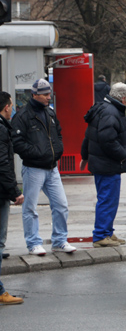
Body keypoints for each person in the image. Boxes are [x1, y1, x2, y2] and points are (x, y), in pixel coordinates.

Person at [11, 79, 76, 256]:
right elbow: (16, 143)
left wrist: (57, 150)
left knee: (61, 205)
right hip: (33, 169)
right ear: (34, 95)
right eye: (45, 94)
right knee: (30, 208)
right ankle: (33, 243)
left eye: (49, 93)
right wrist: (37, 153)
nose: (49, 97)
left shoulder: (50, 113)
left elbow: (58, 134)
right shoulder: (22, 116)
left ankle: (60, 240)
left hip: (52, 167)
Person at [80, 83, 126, 248]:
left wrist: (85, 156)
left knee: (108, 199)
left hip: (101, 162)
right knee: (108, 200)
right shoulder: (111, 112)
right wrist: (123, 154)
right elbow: (108, 139)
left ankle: (107, 231)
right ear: (123, 97)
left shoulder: (102, 108)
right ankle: (101, 234)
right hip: (108, 164)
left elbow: (89, 135)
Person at [1, 91, 25, 305]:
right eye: (11, 105)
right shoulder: (1, 129)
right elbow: (3, 165)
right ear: (7, 107)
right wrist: (15, 191)